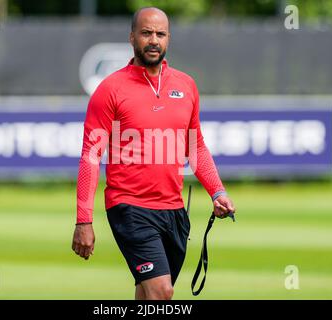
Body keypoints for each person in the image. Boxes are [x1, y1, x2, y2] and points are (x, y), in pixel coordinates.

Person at [72, 7, 236, 300]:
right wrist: (84, 220)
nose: (153, 40)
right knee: (162, 292)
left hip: (173, 210)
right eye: (146, 33)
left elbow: (195, 145)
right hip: (129, 207)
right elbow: (91, 155)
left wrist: (217, 191)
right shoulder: (110, 89)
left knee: (147, 296)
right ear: (132, 37)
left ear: (168, 38)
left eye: (160, 34)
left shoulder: (186, 86)